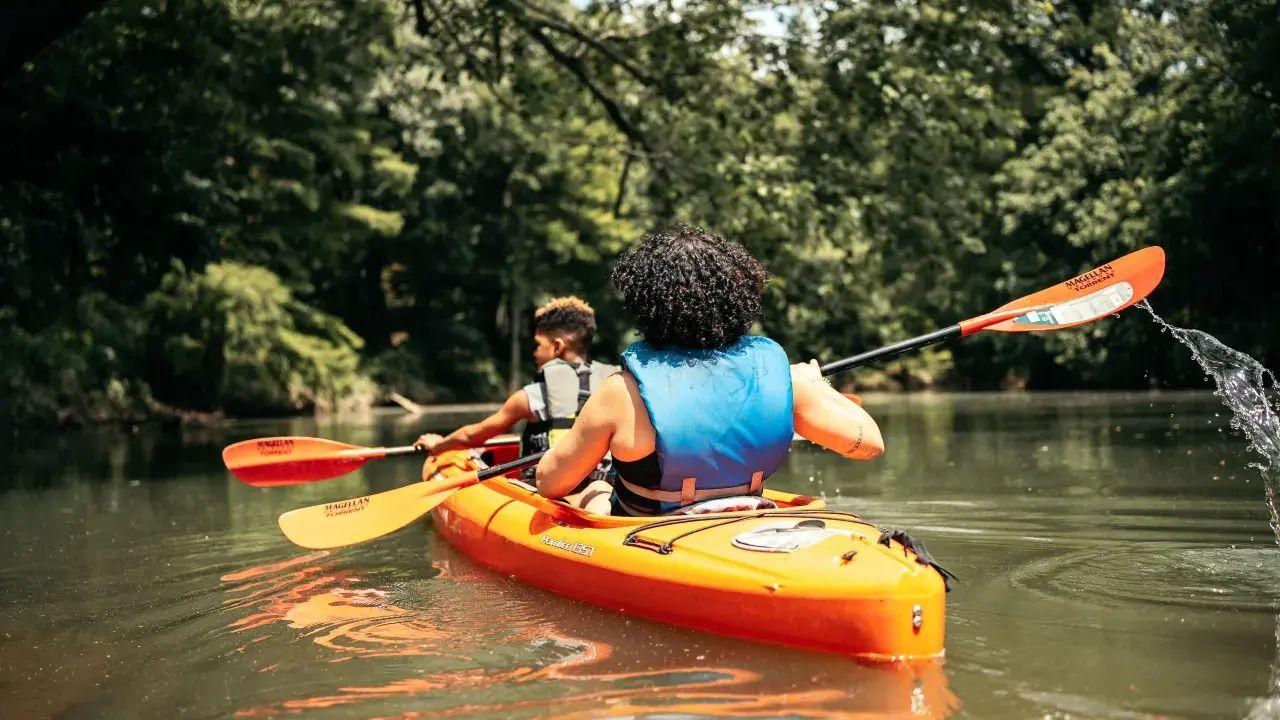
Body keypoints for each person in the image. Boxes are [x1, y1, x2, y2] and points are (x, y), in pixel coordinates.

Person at [534, 225, 883, 516]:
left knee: (594, 485)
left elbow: (549, 482)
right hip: (744, 517)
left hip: (648, 535)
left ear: (645, 306)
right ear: (737, 298)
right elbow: (869, 444)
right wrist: (814, 384)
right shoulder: (785, 379)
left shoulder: (621, 392)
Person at [416, 296, 619, 513]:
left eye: (538, 344)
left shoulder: (532, 396)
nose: (534, 352)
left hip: (547, 495)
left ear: (557, 347)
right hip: (599, 489)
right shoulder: (615, 384)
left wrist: (439, 445)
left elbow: (472, 436)